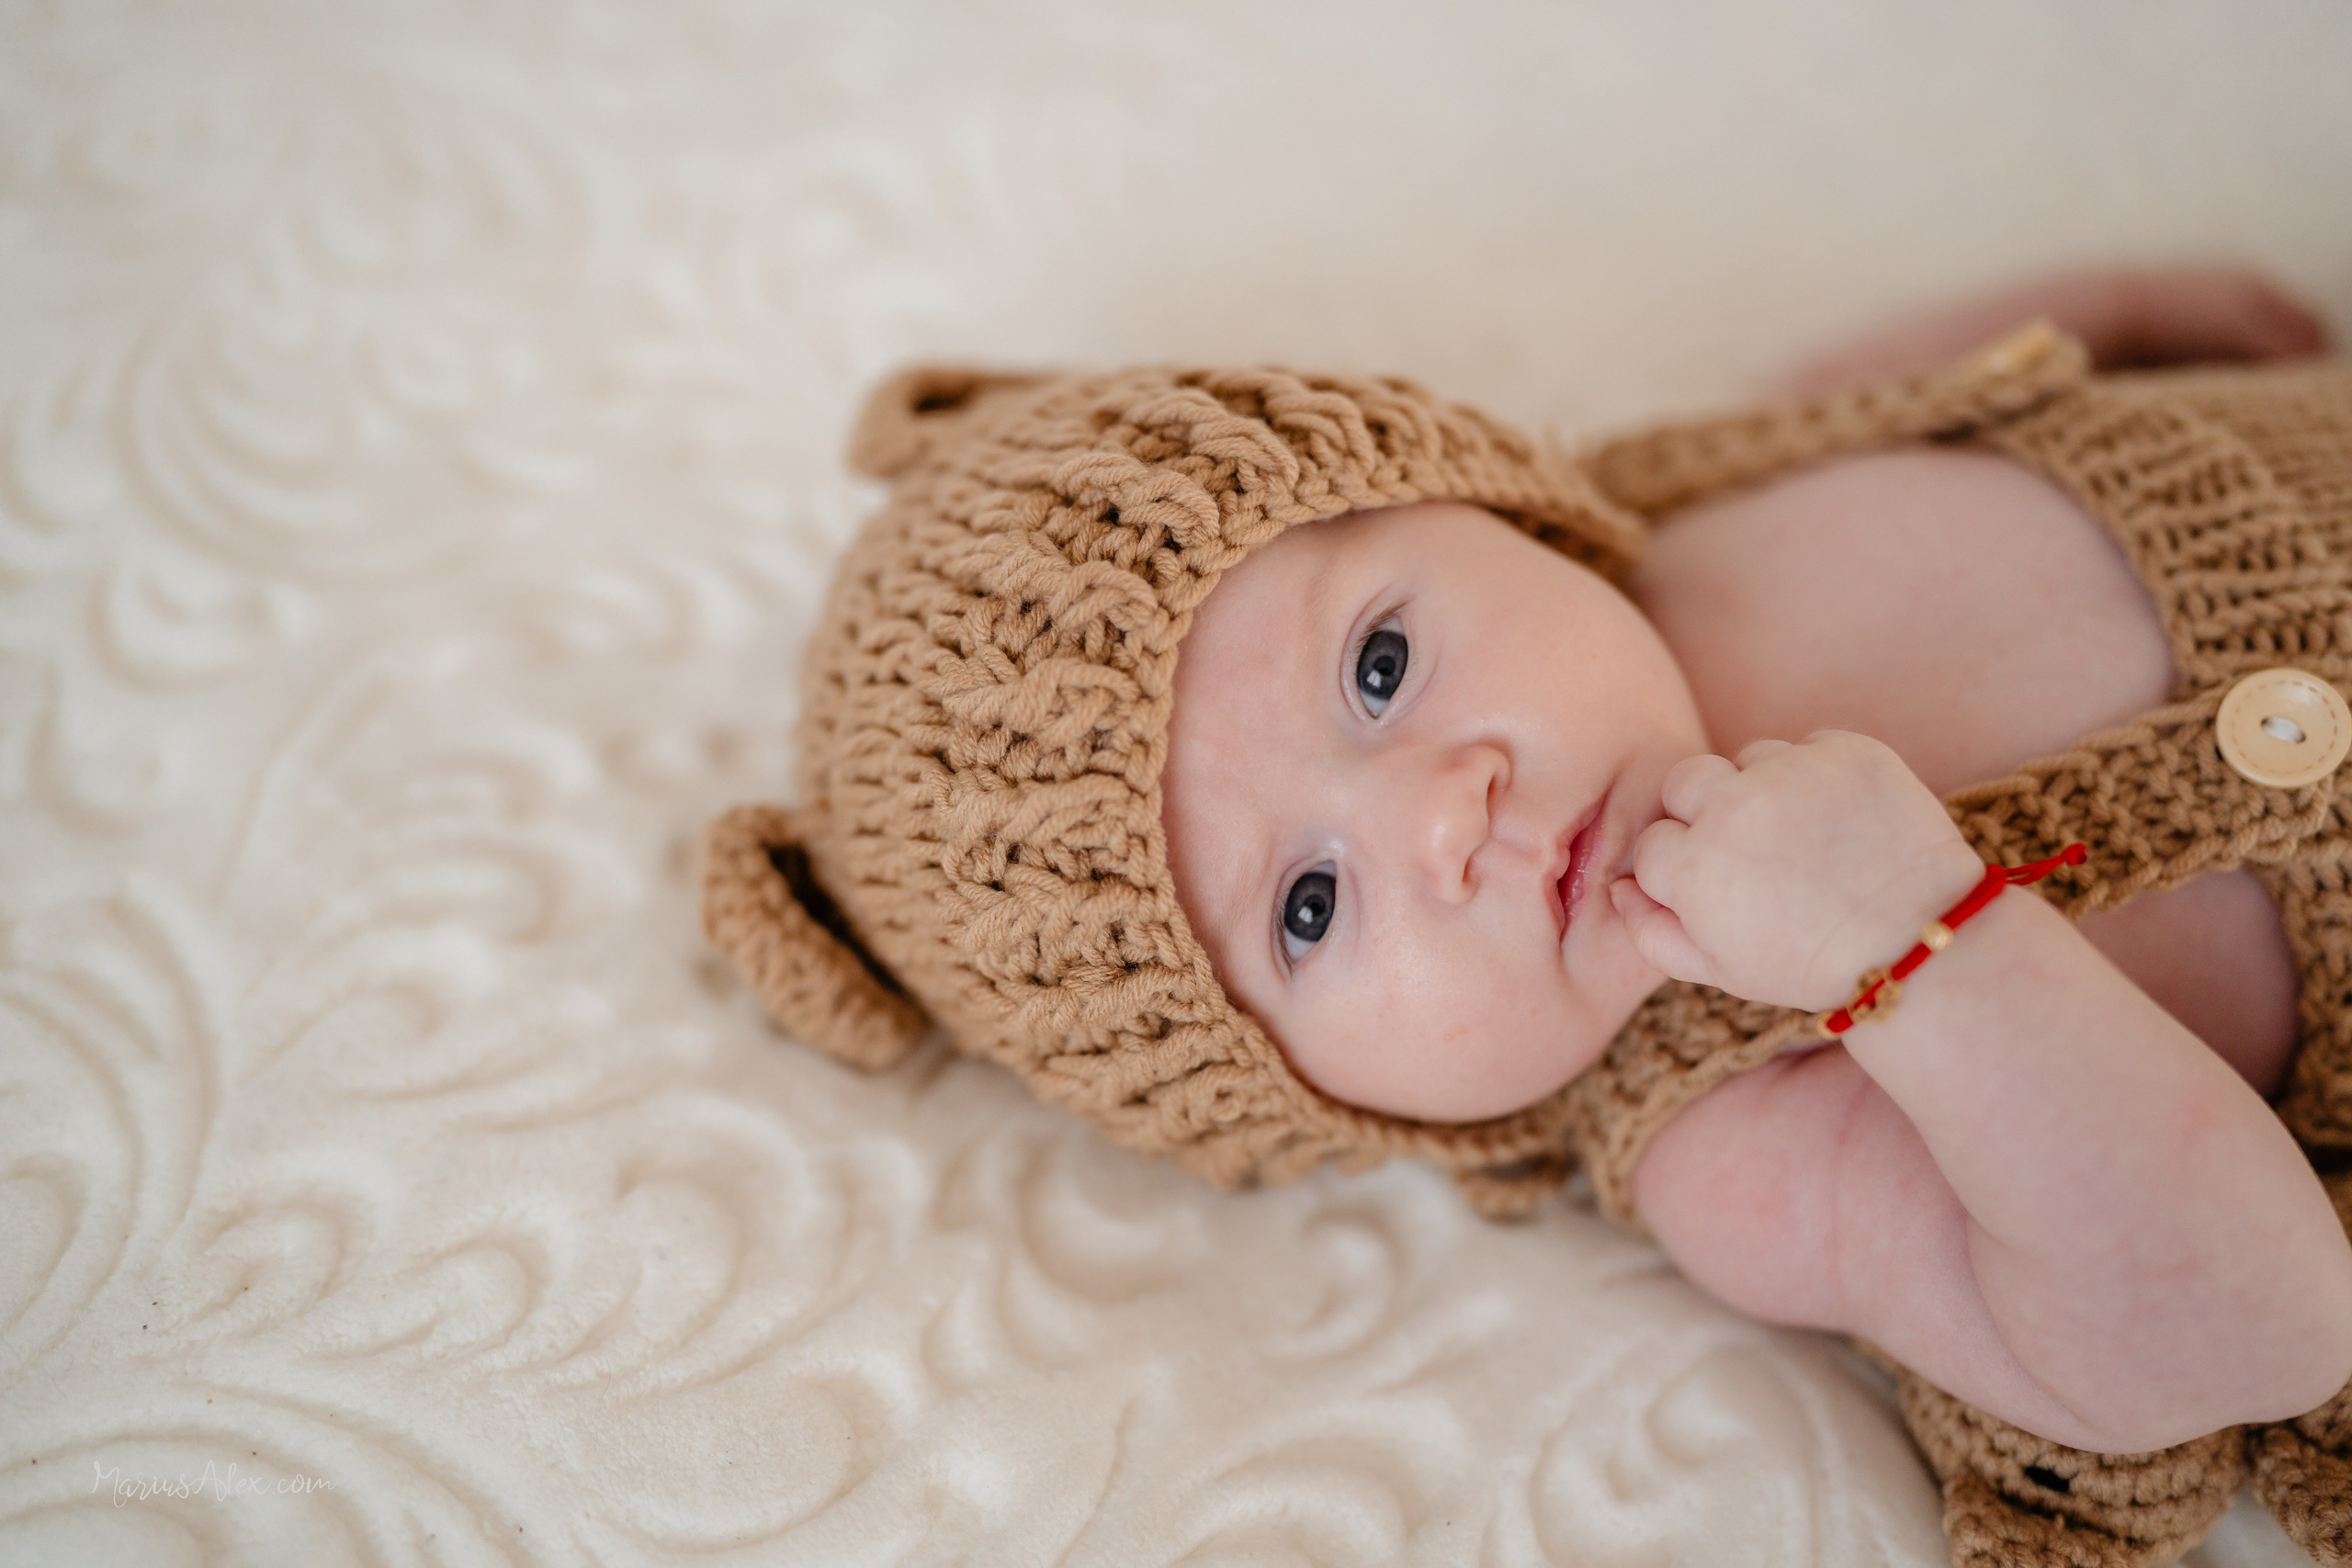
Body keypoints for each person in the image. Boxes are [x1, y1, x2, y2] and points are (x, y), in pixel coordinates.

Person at [702, 266, 2352, 1566]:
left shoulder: (1672, 518)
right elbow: (2247, 1332)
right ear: (1330, 1101)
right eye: (1309, 906)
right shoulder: (1735, 1136)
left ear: (1477, 498)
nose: (1442, 809)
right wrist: (1921, 947)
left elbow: (1902, 396)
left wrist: (2105, 312)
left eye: (1379, 665)